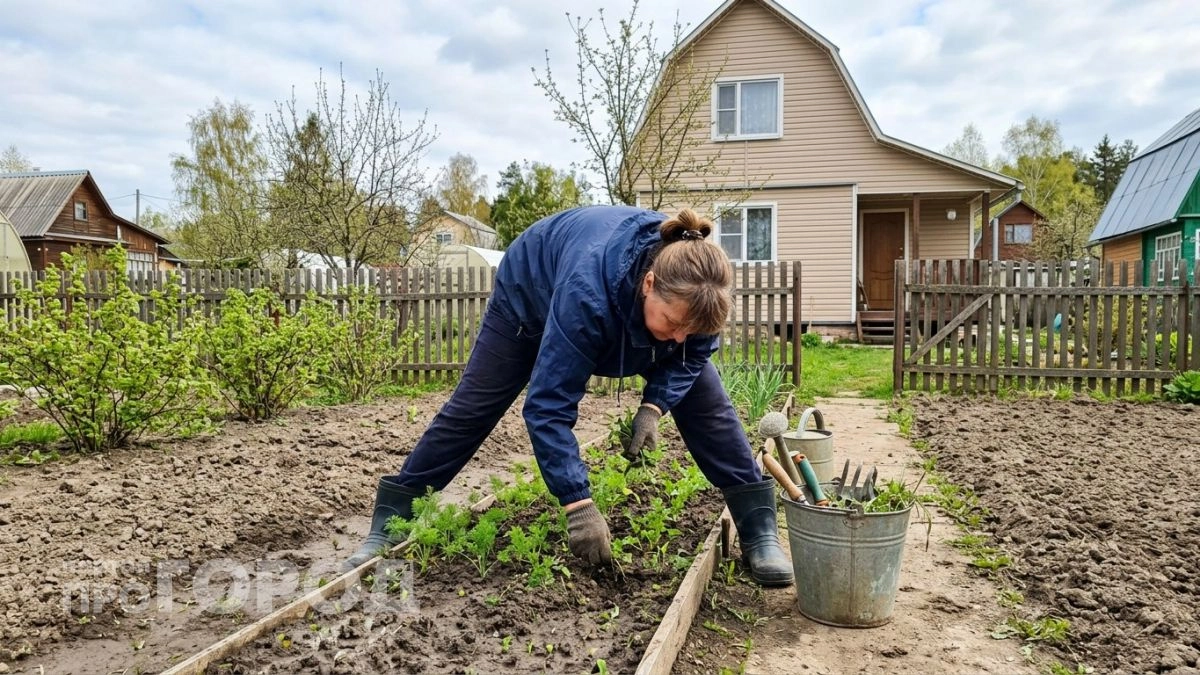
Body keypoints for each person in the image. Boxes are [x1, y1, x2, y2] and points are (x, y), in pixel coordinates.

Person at [341, 205, 793, 586]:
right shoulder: (587, 295)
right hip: (528, 298)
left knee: (711, 411)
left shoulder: (696, 292)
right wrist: (579, 504)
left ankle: (758, 530)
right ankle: (391, 520)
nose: (678, 338)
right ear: (649, 284)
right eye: (673, 324)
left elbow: (690, 358)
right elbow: (548, 408)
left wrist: (654, 407)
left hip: (604, 288)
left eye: (691, 329)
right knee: (474, 408)